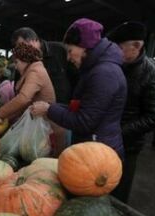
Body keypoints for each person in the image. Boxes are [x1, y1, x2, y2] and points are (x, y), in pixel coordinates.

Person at [30, 18, 127, 159]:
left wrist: (49, 110)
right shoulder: (96, 69)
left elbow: (84, 121)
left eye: (70, 51)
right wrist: (51, 107)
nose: (68, 58)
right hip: (94, 146)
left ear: (85, 47)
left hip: (99, 153)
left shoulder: (103, 74)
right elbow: (82, 108)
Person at [107, 21, 155, 202]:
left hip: (127, 146)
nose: (114, 52)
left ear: (136, 45)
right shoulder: (116, 66)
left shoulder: (153, 75)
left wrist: (120, 132)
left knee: (117, 195)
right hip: (102, 140)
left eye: (118, 47)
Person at [0, 43, 65, 156]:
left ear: (25, 60)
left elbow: (24, 98)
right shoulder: (33, 70)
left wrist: (1, 114)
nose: (16, 66)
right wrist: (8, 117)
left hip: (46, 128)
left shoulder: (35, 72)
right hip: (39, 125)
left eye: (17, 62)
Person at [11, 27, 73, 105]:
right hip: (38, 110)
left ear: (34, 40)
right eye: (19, 48)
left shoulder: (59, 50)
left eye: (23, 46)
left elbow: (75, 76)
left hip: (64, 106)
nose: (22, 50)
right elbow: (18, 87)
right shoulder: (22, 59)